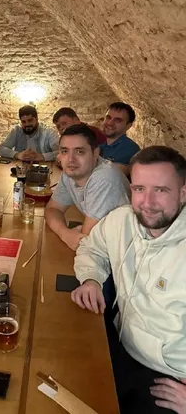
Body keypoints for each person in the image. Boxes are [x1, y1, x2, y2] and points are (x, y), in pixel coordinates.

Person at [71, 146, 186, 413]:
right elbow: (91, 248)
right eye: (139, 189)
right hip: (121, 346)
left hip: (169, 377)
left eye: (161, 190)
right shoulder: (122, 220)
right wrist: (91, 279)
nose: (147, 202)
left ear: (183, 193)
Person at [45, 124, 130, 250]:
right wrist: (65, 233)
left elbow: (85, 242)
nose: (70, 159)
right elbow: (52, 209)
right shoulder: (69, 173)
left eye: (79, 151)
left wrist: (68, 235)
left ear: (95, 153)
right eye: (65, 151)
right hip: (104, 247)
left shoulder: (104, 179)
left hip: (122, 252)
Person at [100, 102, 140, 175]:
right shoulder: (98, 144)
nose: (110, 123)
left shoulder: (130, 149)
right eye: (108, 117)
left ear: (128, 126)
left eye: (117, 120)